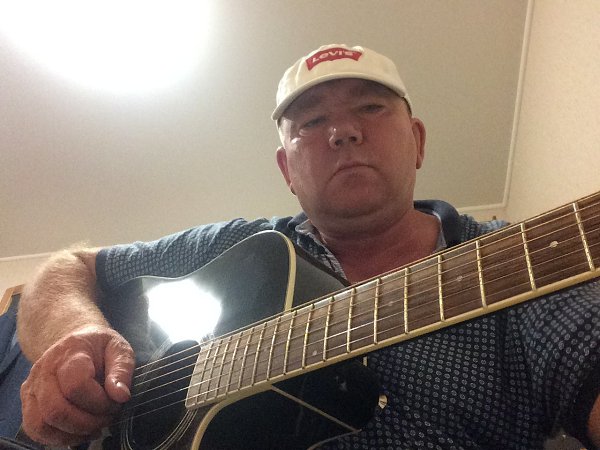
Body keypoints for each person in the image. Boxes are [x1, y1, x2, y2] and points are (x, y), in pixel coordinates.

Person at [16, 44, 600, 449]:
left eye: (370, 107)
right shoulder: (243, 245)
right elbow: (68, 268)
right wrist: (75, 336)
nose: (342, 131)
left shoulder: (525, 259)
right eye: (310, 123)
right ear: (286, 172)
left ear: (418, 140)